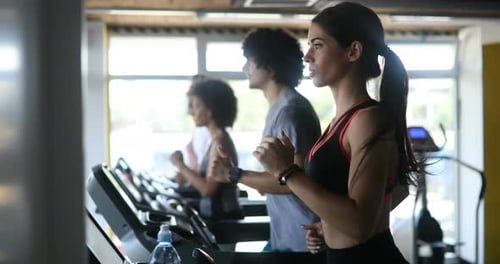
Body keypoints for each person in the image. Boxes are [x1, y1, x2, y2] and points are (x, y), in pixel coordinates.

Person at [252, 2, 423, 263]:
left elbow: (359, 224)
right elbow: (398, 189)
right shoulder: (339, 122)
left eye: (317, 45)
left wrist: (286, 172)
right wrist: (328, 225)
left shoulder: (367, 119)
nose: (307, 56)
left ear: (353, 51)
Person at [210, 28, 322, 252]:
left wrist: (235, 174)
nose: (245, 69)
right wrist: (260, 182)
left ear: (269, 67)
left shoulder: (290, 112)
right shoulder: (279, 109)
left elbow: (294, 180)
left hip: (302, 241)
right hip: (284, 237)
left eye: (249, 62)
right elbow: (279, 175)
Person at [170, 78, 243, 221]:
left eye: (196, 105)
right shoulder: (216, 140)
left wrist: (180, 165)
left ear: (210, 110)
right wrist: (185, 174)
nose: (191, 112)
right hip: (214, 216)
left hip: (223, 222)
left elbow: (208, 189)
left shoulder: (220, 143)